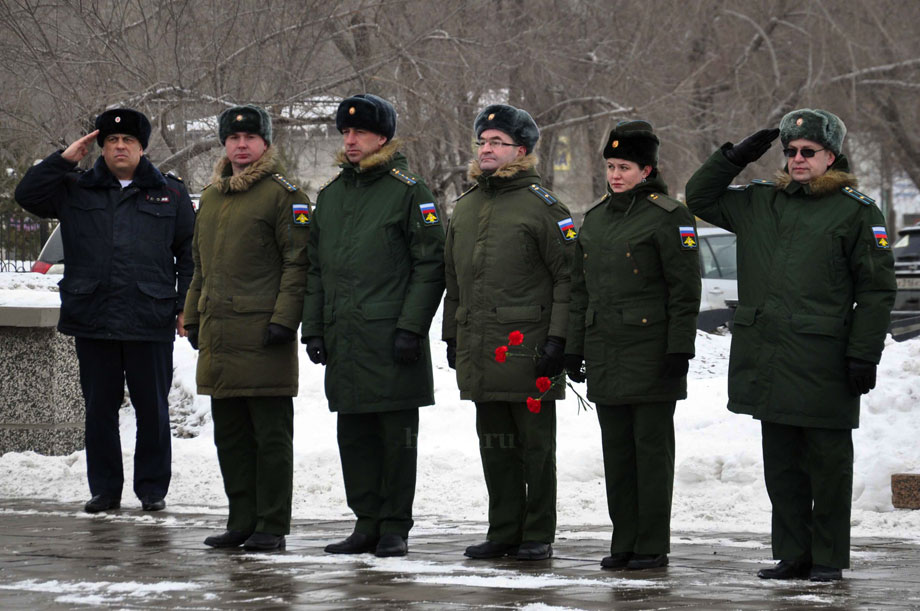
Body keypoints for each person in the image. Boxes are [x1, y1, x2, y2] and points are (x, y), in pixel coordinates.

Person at [685, 109, 896, 582]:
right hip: (769, 356)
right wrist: (736, 157)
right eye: (791, 151)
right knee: (782, 466)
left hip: (823, 358)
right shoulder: (762, 201)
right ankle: (793, 553)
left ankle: (827, 558)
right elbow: (699, 196)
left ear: (831, 156)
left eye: (808, 152)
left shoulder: (856, 211)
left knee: (828, 465)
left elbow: (877, 289)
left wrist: (865, 352)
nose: (797, 159)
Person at [15, 108, 194, 514]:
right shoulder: (75, 187)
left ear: (141, 147)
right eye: (111, 141)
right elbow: (27, 196)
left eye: (127, 140)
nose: (119, 146)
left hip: (149, 317)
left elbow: (189, 254)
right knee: (99, 409)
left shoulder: (170, 192)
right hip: (93, 315)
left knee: (153, 409)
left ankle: (151, 490)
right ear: (101, 147)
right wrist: (63, 159)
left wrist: (185, 305)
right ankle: (105, 490)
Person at [302, 94, 445, 558]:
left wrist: (411, 327)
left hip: (390, 338)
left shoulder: (408, 191)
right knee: (355, 436)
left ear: (382, 137)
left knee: (396, 439)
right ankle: (366, 521)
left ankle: (395, 526)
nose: (350, 140)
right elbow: (317, 269)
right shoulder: (332, 195)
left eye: (359, 132)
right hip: (346, 337)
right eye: (345, 132)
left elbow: (430, 265)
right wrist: (315, 328)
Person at [443, 104, 576, 561]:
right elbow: (454, 279)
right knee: (495, 445)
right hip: (480, 347)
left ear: (521, 150)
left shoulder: (543, 207)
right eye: (482, 142)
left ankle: (537, 532)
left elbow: (568, 278)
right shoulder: (465, 206)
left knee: (535, 447)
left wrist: (559, 340)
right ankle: (503, 529)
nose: (486, 149)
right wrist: (451, 335)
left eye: (496, 142)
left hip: (529, 349)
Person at [566, 120, 701, 571]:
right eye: (610, 166)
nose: (616, 174)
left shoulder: (668, 216)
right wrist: (574, 346)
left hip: (652, 353)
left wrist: (679, 348)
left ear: (647, 169)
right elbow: (580, 289)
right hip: (605, 351)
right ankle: (623, 539)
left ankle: (651, 544)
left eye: (625, 166)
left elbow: (685, 289)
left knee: (651, 455)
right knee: (618, 455)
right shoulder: (597, 218)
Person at [184, 105, 310, 552]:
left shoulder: (283, 195)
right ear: (224, 144)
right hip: (220, 337)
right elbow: (201, 266)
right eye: (234, 138)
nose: (241, 144)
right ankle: (241, 519)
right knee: (231, 436)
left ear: (265, 143)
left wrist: (283, 321)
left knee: (270, 437)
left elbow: (298, 263)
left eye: (251, 138)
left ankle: (271, 523)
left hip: (263, 336)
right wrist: (193, 315)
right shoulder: (213, 196)